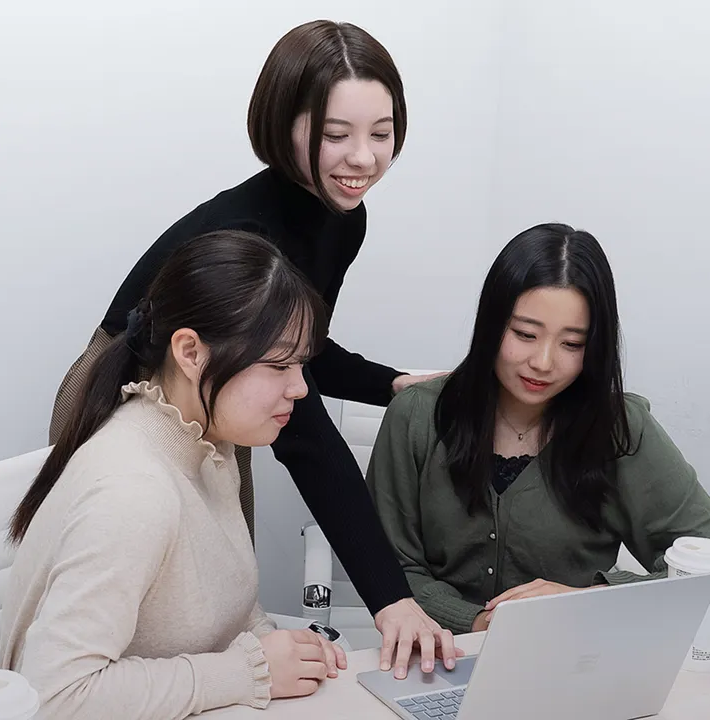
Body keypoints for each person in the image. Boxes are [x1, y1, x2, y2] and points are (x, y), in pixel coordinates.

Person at [47, 20, 453, 677]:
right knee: (142, 622)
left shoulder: (343, 218)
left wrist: (392, 383)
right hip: (125, 384)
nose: (364, 159)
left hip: (214, 387)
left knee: (216, 608)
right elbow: (308, 436)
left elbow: (299, 355)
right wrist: (391, 600)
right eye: (335, 134)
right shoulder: (253, 231)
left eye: (382, 133)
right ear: (282, 122)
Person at [2, 231, 351, 719]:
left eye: (300, 365)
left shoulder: (208, 442)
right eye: (277, 365)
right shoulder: (132, 493)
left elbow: (226, 609)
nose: (298, 388)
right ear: (191, 353)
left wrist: (280, 651)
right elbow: (55, 696)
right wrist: (250, 672)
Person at [366, 223, 710, 635]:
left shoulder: (621, 429)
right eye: (525, 334)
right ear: (490, 324)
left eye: (572, 344)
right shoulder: (416, 416)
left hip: (574, 660)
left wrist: (584, 601)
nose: (544, 362)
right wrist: (478, 623)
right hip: (434, 659)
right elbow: (389, 567)